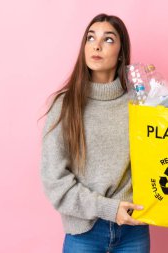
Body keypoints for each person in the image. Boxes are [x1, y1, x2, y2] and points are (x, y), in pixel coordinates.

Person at [40, 13, 150, 253]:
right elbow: (54, 181)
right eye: (91, 38)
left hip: (134, 228)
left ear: (121, 52)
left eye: (108, 39)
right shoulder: (65, 105)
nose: (97, 45)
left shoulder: (140, 103)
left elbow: (166, 152)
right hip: (84, 232)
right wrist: (108, 209)